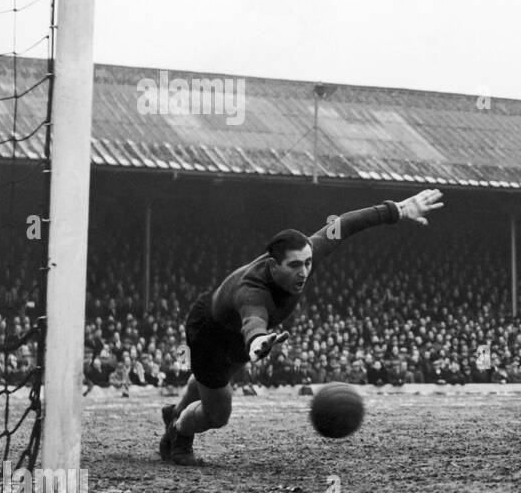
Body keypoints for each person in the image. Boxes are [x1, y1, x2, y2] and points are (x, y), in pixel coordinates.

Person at [157, 189, 444, 465]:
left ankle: (175, 412)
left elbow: (344, 224)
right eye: (295, 265)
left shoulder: (307, 254)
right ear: (272, 265)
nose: (304, 271)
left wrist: (400, 210)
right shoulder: (252, 292)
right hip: (212, 335)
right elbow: (252, 320)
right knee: (218, 412)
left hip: (234, 330)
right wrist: (258, 342)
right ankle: (180, 432)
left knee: (214, 380)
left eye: (308, 262)